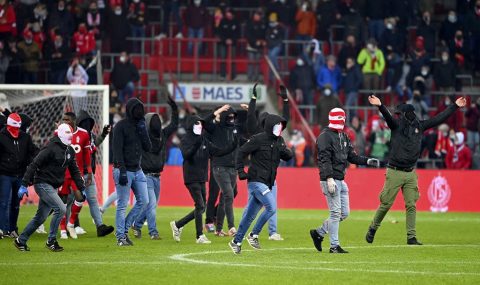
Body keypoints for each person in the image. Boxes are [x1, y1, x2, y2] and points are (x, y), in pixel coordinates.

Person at [365, 94, 466, 245]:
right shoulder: (396, 125)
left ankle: (411, 237)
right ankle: (373, 228)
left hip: (410, 172)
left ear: (405, 114)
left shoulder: (419, 126)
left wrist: (455, 106)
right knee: (386, 204)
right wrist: (380, 106)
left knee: (411, 205)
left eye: (399, 114)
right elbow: (388, 117)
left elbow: (439, 118)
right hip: (394, 171)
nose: (397, 116)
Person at [310, 108, 379, 254]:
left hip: (340, 179)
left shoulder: (343, 136)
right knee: (335, 213)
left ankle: (319, 233)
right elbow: (324, 159)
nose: (342, 120)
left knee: (344, 213)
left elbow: (352, 156)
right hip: (330, 179)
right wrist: (329, 178)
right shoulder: (324, 137)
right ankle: (334, 246)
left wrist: (367, 160)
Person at [14, 123, 86, 251]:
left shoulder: (69, 150)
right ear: (61, 134)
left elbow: (74, 171)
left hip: (52, 186)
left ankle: (21, 240)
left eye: (71, 133)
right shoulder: (50, 148)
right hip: (42, 183)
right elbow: (34, 164)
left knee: (40, 217)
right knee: (61, 209)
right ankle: (51, 241)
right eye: (68, 133)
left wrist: (81, 187)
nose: (71, 136)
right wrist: (24, 184)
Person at [229, 114, 293, 254]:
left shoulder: (279, 140)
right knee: (271, 207)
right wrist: (240, 170)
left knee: (250, 215)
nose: (280, 127)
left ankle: (236, 241)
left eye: (281, 125)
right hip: (256, 181)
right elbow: (241, 152)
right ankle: (253, 235)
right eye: (278, 125)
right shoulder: (258, 139)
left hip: (267, 183)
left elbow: (287, 156)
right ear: (271, 126)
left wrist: (288, 151)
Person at [170, 114, 237, 244]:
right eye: (197, 123)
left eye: (201, 123)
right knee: (200, 205)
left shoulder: (204, 140)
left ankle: (178, 225)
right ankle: (199, 236)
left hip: (202, 178)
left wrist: (232, 146)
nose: (200, 126)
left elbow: (218, 151)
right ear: (191, 125)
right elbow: (186, 155)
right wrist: (196, 144)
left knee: (201, 207)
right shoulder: (186, 140)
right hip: (191, 177)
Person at [131, 96, 178, 240]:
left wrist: (174, 109)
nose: (157, 124)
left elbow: (174, 125)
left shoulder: (162, 135)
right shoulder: (142, 136)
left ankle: (137, 225)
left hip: (158, 176)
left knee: (150, 206)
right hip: (145, 176)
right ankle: (153, 232)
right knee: (151, 205)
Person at [246, 84, 289, 241]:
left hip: (256, 176)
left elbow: (250, 116)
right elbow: (286, 118)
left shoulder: (255, 133)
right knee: (272, 206)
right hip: (268, 177)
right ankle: (272, 232)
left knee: (250, 207)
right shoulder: (274, 135)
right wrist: (285, 100)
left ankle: (244, 232)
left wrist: (253, 99)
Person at [113, 98, 151, 246]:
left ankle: (123, 231)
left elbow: (148, 147)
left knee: (144, 201)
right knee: (122, 204)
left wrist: (143, 131)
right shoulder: (120, 126)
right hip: (123, 169)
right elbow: (117, 150)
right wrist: (122, 170)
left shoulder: (141, 126)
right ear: (129, 110)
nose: (139, 111)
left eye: (140, 108)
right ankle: (120, 237)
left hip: (137, 169)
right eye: (136, 108)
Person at [73, 110, 115, 237]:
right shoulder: (74, 136)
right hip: (75, 174)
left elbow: (95, 143)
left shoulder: (89, 136)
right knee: (70, 201)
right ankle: (71, 226)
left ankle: (100, 226)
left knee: (92, 200)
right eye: (84, 123)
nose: (87, 125)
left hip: (88, 174)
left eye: (88, 123)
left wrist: (103, 134)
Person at [203, 104, 240, 237]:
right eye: (228, 116)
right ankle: (212, 222)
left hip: (231, 167)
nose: (231, 119)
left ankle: (217, 225)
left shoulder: (233, 129)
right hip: (218, 165)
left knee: (228, 194)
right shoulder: (214, 128)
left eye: (232, 116)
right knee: (217, 193)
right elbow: (204, 122)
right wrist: (216, 111)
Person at [0, 113, 37, 238]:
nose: (16, 131)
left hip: (20, 174)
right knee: (4, 202)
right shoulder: (1, 137)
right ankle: (1, 229)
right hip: (4, 174)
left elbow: (33, 151)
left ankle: (12, 229)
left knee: (16, 204)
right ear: (9, 126)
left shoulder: (25, 137)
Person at [58, 112, 93, 239]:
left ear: (74, 121)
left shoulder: (83, 134)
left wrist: (89, 172)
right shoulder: (59, 132)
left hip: (76, 173)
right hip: (62, 173)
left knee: (80, 197)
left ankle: (71, 223)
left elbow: (87, 155)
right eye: (64, 119)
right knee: (63, 201)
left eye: (67, 119)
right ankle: (62, 229)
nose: (65, 121)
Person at [217, 8, 239, 80]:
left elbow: (238, 34)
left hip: (233, 44)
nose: (228, 15)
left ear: (232, 14)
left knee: (233, 60)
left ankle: (233, 76)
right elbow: (219, 32)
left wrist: (232, 40)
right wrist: (225, 40)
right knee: (223, 59)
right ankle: (222, 75)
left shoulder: (236, 22)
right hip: (223, 43)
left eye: (229, 13)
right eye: (227, 13)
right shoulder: (222, 21)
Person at [246, 10, 266, 81]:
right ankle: (249, 77)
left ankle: (256, 77)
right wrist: (255, 41)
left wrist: (263, 41)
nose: (256, 16)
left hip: (259, 46)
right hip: (251, 46)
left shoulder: (263, 24)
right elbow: (248, 35)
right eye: (255, 15)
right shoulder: (249, 24)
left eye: (258, 15)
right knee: (251, 62)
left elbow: (264, 35)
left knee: (257, 62)